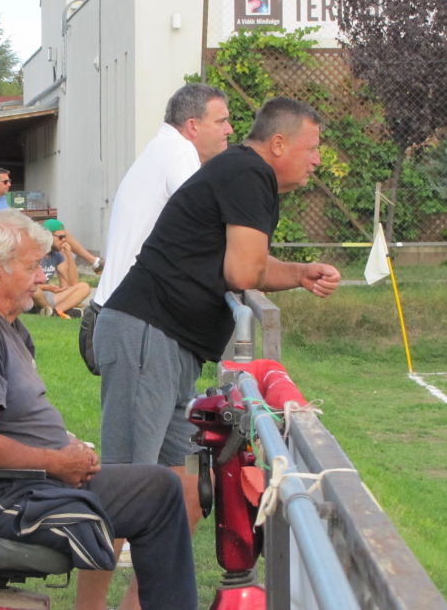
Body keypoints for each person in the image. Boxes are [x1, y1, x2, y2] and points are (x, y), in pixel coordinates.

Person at [93, 97, 341, 598]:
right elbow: (242, 273)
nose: (317, 159)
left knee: (182, 494)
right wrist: (276, 271)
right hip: (146, 333)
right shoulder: (250, 174)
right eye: (312, 148)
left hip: (169, 342)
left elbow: (247, 264)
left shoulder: (244, 172)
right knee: (120, 492)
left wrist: (299, 274)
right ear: (279, 143)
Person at [0, 209, 197, 610]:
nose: (44, 277)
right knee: (160, 492)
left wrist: (64, 446)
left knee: (160, 486)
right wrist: (57, 462)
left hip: (16, 483)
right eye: (32, 267)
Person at [94, 83, 233, 308]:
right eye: (221, 121)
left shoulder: (162, 148)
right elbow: (205, 225)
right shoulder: (181, 151)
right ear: (193, 126)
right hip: (129, 316)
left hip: (114, 312)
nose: (229, 129)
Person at [32, 219, 91, 318]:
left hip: (48, 296)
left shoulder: (56, 255)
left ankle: (54, 312)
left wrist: (69, 255)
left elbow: (72, 283)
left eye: (65, 237)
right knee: (35, 291)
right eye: (61, 237)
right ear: (48, 236)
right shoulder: (34, 253)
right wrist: (47, 287)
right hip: (32, 295)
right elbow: (25, 284)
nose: (64, 240)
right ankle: (58, 310)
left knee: (84, 287)